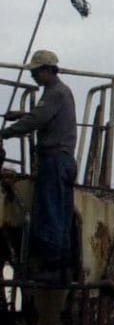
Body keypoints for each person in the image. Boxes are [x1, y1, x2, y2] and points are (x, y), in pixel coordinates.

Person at [1, 50, 77, 282]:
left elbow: (38, 120)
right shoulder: (61, 93)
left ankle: (52, 268)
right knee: (62, 213)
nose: (33, 77)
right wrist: (24, 114)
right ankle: (62, 266)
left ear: (47, 70)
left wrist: (6, 132)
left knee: (50, 212)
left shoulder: (54, 93)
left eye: (35, 72)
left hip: (54, 160)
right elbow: (44, 116)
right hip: (64, 160)